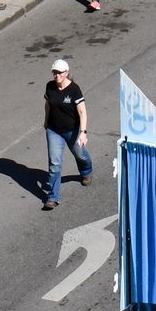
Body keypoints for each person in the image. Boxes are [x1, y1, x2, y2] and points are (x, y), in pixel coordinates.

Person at [41, 60, 92, 209]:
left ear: (66, 72)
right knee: (54, 164)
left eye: (60, 72)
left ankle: (86, 171)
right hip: (54, 130)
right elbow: (48, 105)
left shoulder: (74, 89)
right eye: (54, 72)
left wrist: (83, 132)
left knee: (80, 154)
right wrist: (45, 121)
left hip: (73, 131)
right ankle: (52, 197)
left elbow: (82, 112)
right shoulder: (50, 86)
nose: (56, 75)